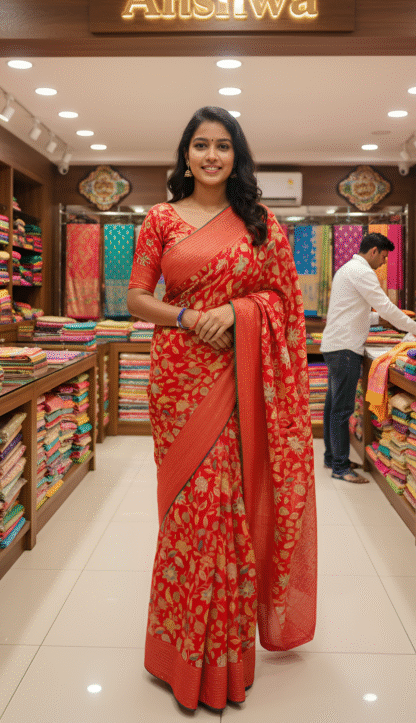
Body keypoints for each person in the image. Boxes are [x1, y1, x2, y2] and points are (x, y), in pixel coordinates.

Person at [127, 106, 317, 712]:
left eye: (223, 146)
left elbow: (285, 304)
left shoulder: (261, 225)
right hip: (178, 378)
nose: (212, 156)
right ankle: (177, 652)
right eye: (201, 145)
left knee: (224, 510)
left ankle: (223, 658)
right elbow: (137, 298)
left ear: (237, 157)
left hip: (239, 379)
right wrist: (189, 316)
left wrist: (236, 313)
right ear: (186, 155)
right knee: (186, 513)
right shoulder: (160, 219)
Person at [320, 233, 416, 483]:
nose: (383, 263)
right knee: (341, 410)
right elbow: (386, 307)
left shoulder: (347, 269)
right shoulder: (362, 272)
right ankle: (340, 467)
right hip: (345, 350)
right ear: (373, 251)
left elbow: (352, 310)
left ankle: (332, 458)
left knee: (333, 407)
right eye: (383, 256)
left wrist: (381, 319)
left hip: (335, 346)